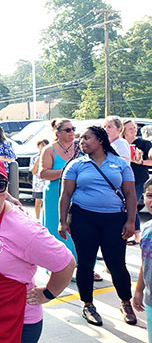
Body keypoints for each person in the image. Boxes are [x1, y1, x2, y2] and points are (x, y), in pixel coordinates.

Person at [0, 156, 75, 343]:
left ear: (6, 187)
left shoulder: (24, 229)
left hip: (17, 323)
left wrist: (48, 293)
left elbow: (66, 263)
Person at [59, 126, 138, 327]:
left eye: (87, 138)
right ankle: (88, 305)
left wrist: (130, 221)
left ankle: (125, 302)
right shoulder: (76, 165)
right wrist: (62, 221)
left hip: (114, 220)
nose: (81, 141)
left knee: (116, 264)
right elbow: (65, 195)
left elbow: (130, 194)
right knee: (85, 263)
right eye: (81, 138)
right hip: (83, 218)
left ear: (100, 140)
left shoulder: (120, 164)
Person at [38, 118, 79, 274]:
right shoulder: (49, 149)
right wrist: (66, 171)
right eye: (68, 130)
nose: (72, 133)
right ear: (58, 133)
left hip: (77, 194)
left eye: (73, 129)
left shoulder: (79, 148)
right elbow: (43, 173)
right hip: (55, 195)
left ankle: (80, 265)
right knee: (56, 230)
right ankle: (58, 266)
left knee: (78, 229)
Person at [123, 119, 152, 245]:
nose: (134, 130)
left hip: (139, 179)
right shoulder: (120, 144)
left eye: (135, 128)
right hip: (123, 179)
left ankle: (137, 235)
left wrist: (139, 161)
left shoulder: (144, 143)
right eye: (131, 128)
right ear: (123, 130)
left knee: (132, 205)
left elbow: (151, 161)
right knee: (125, 206)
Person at [132, 177, 152, 343]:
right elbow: (145, 262)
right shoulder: (146, 228)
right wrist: (139, 290)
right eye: (149, 195)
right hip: (150, 298)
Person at [30, 139, 49, 220]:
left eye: (45, 145)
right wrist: (37, 162)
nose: (44, 147)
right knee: (38, 201)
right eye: (42, 145)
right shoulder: (34, 157)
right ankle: (37, 219)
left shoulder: (49, 156)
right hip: (38, 183)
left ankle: (46, 219)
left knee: (47, 202)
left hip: (47, 182)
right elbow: (33, 172)